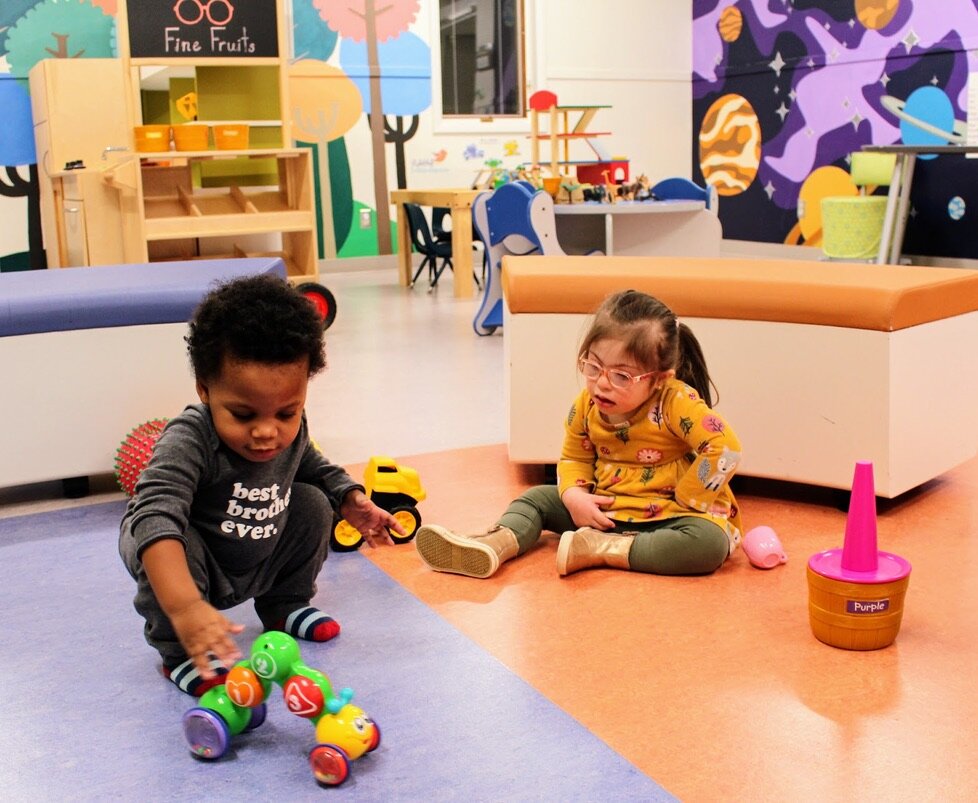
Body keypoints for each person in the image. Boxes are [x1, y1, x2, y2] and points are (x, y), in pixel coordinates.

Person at [119, 274, 401, 697]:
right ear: (205, 390)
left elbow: (309, 463)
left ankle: (284, 604)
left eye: (286, 413)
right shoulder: (190, 438)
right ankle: (179, 653)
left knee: (312, 503)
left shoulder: (291, 430)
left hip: (255, 554)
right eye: (244, 415)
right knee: (169, 537)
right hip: (191, 561)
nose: (267, 432)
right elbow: (155, 515)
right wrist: (185, 607)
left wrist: (350, 498)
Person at [415, 289, 743, 579]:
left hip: (667, 513)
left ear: (658, 379)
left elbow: (724, 447)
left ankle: (600, 548)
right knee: (536, 499)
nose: (601, 383)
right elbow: (574, 456)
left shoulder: (676, 400)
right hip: (602, 507)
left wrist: (690, 496)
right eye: (593, 366)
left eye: (621, 376)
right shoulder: (586, 405)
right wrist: (574, 497)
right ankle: (494, 543)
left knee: (709, 545)